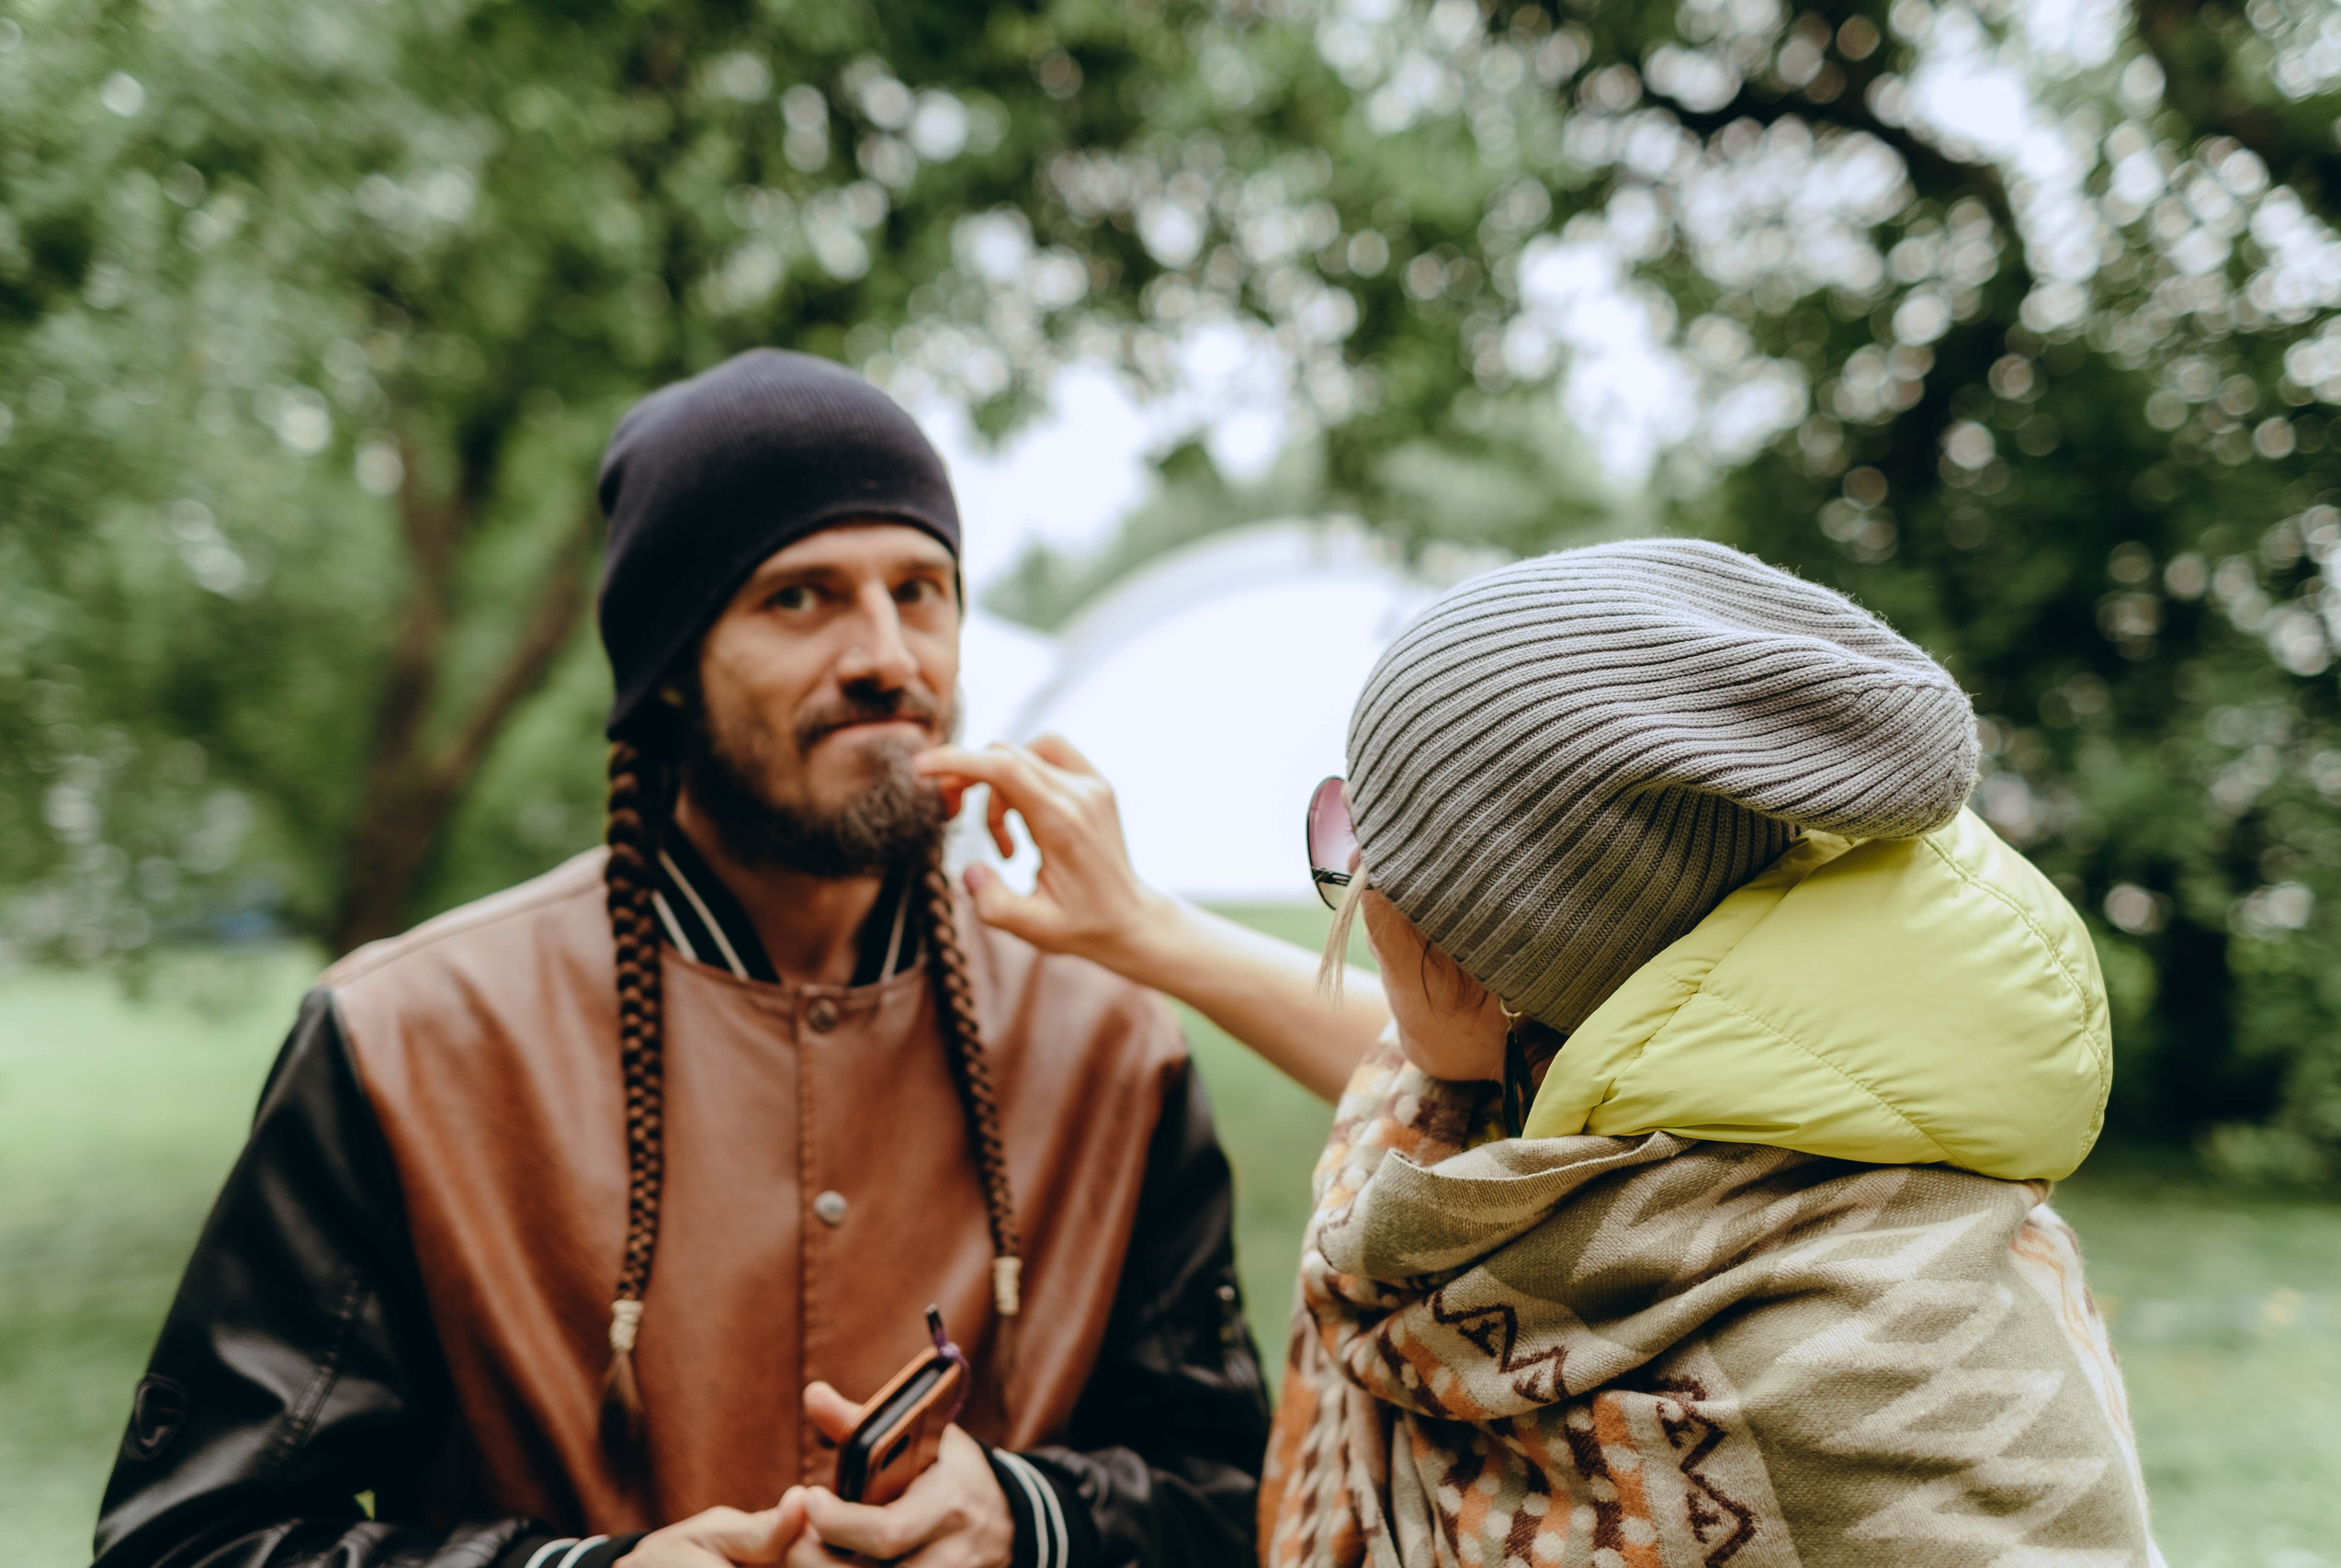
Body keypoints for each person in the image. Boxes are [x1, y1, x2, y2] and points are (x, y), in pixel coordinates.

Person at [93, 350, 1267, 1568]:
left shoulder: (1113, 1041)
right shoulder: (406, 1038)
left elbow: (1246, 1501)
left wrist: (1033, 1518)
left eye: (920, 589)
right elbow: (192, 1539)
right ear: (666, 678)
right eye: (799, 598)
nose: (886, 656)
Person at [922, 539, 2160, 1568]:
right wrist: (1142, 928)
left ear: (1489, 951)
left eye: (1367, 844)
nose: (1344, 883)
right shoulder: (1591, 1116)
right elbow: (1441, 1082)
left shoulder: (1887, 1375)